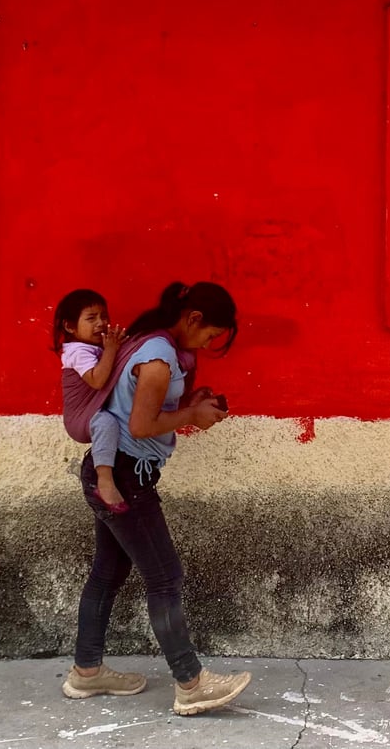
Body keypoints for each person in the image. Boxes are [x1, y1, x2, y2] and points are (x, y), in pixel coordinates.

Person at [61, 281, 252, 716]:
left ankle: (86, 673)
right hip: (125, 477)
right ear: (193, 319)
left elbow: (146, 409)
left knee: (107, 574)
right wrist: (192, 415)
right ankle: (191, 683)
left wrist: (191, 401)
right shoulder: (159, 357)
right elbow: (144, 424)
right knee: (165, 578)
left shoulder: (155, 344)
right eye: (210, 335)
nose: (208, 344)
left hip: (114, 471)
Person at [53, 289, 129, 511]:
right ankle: (104, 481)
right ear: (70, 327)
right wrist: (112, 350)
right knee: (106, 422)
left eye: (104, 316)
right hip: (81, 419)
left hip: (93, 412)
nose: (101, 323)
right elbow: (97, 381)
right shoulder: (78, 351)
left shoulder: (96, 347)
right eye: (91, 318)